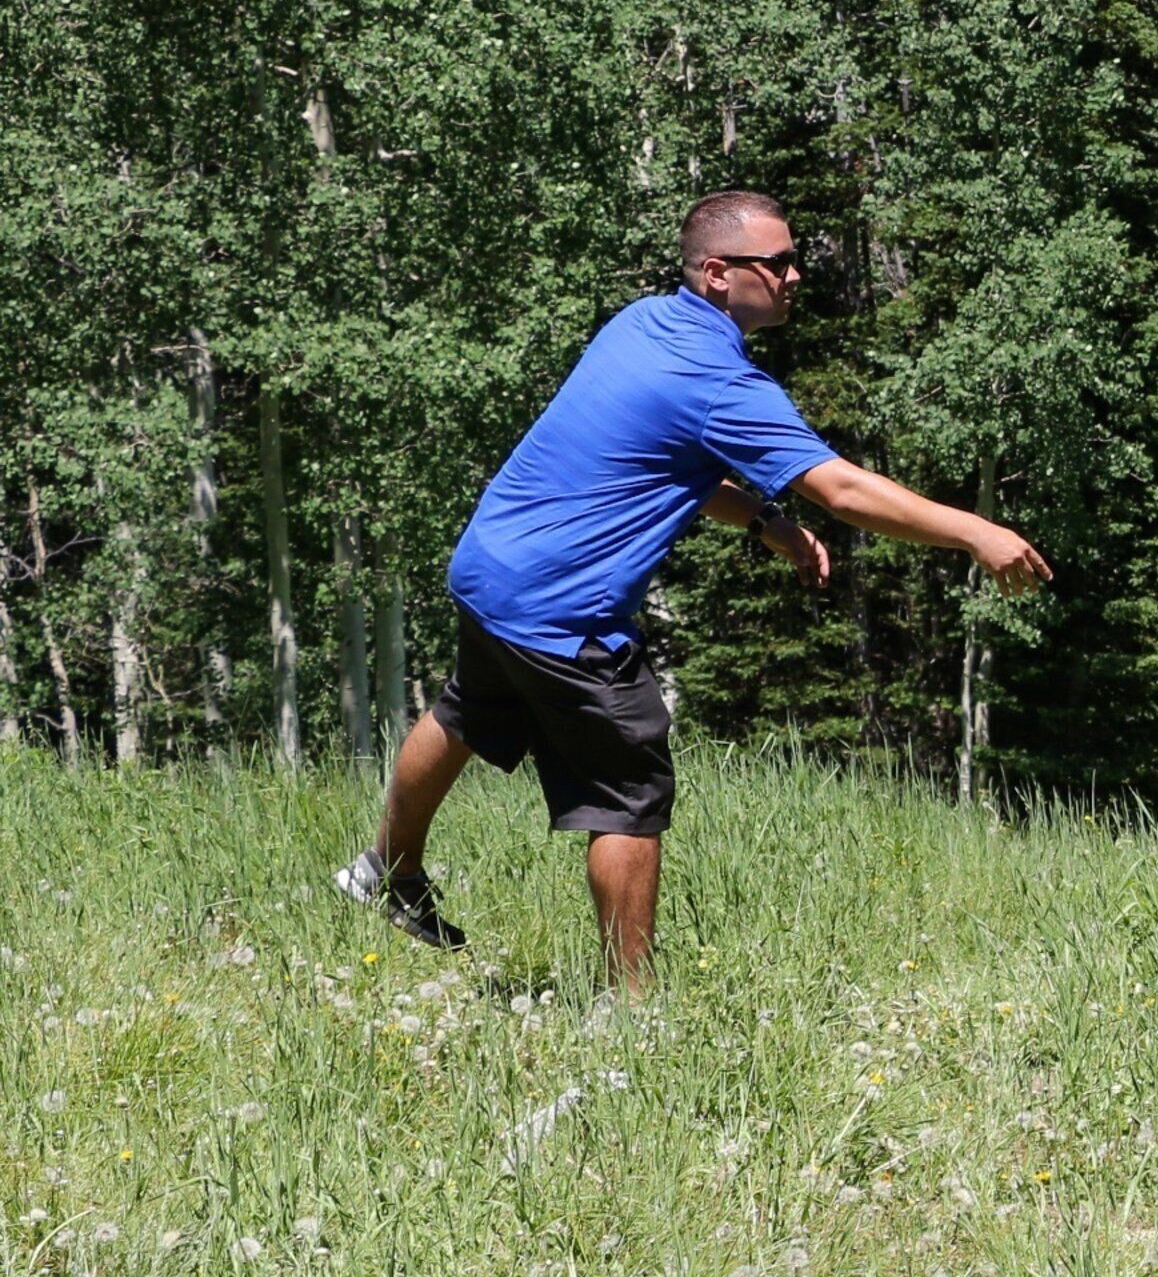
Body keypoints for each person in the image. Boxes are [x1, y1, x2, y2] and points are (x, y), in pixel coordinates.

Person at [336, 190, 1051, 981]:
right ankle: (631, 1011)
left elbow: (663, 454)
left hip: (491, 567)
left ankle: (384, 871)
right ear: (717, 272)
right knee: (630, 795)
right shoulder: (717, 379)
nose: (795, 275)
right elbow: (843, 491)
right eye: (776, 262)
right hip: (561, 607)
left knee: (466, 711)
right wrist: (976, 532)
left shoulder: (643, 323)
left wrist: (762, 521)